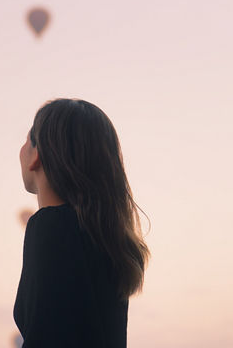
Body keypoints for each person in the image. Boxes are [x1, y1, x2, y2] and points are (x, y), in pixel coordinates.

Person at [14, 98, 151, 347]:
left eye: (26, 140)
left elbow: (46, 335)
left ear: (38, 155)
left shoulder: (49, 228)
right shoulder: (105, 238)